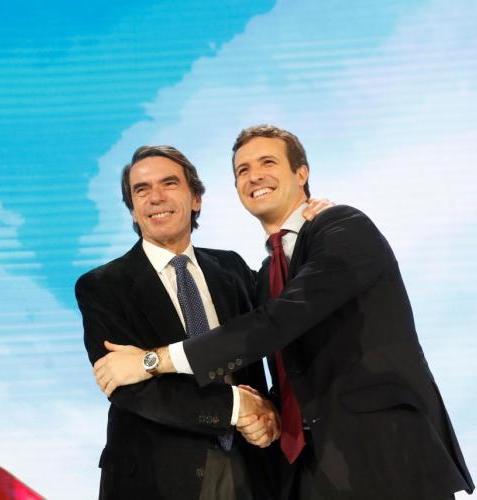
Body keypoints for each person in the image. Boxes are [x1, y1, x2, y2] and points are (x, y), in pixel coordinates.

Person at [93, 125, 475, 500]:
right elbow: (287, 364)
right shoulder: (262, 274)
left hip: (387, 459)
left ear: (301, 173)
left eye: (268, 162)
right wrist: (259, 411)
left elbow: (274, 324)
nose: (254, 176)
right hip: (306, 472)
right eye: (243, 170)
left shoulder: (342, 229)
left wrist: (151, 360)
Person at [76, 145, 329, 499]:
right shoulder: (102, 286)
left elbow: (281, 317)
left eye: (169, 183)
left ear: (196, 199)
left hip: (251, 467)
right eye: (141, 190)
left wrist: (311, 227)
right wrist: (235, 407)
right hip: (156, 478)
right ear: (132, 208)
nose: (155, 197)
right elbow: (131, 390)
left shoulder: (232, 269)